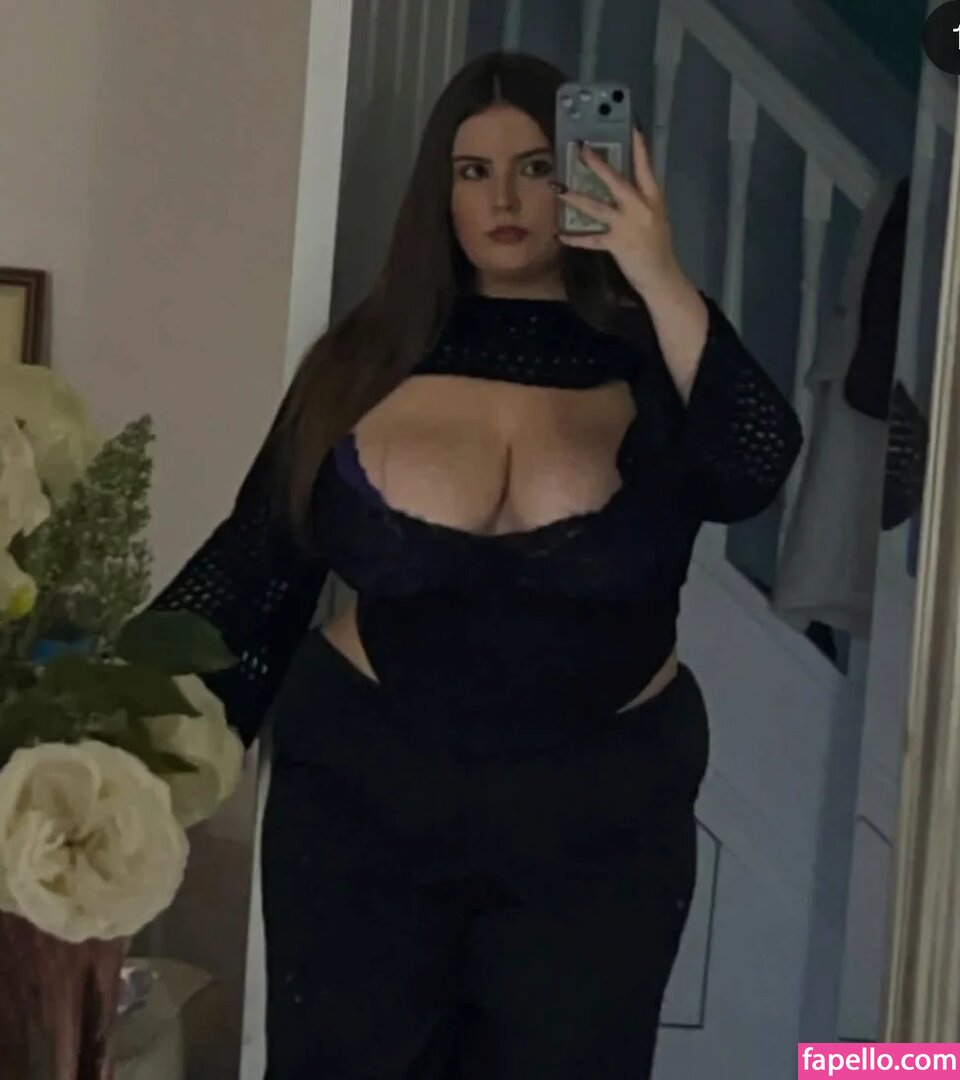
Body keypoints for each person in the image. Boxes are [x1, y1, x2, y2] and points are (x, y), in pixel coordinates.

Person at [149, 51, 802, 1079]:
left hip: (600, 821)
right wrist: (105, 749)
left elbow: (755, 462)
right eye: (472, 171)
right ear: (438, 195)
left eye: (537, 167)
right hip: (362, 800)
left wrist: (657, 270)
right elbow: (254, 564)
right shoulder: (363, 359)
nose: (502, 199)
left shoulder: (651, 359)